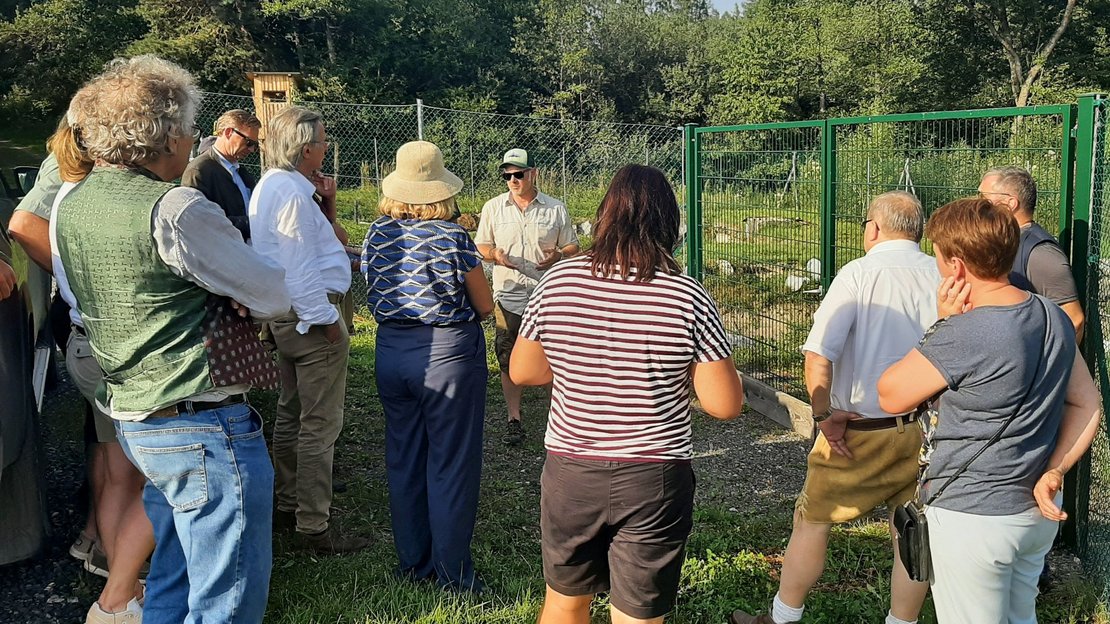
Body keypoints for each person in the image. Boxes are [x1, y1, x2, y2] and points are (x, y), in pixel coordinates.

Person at [57, 54, 291, 624]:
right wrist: (231, 291)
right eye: (188, 127)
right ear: (164, 136)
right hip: (200, 420)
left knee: (174, 576)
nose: (192, 139)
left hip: (135, 413)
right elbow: (271, 294)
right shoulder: (176, 207)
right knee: (225, 600)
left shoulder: (74, 201)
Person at [510, 164, 745, 624]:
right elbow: (724, 404)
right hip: (654, 476)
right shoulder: (686, 294)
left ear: (605, 214)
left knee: (563, 601)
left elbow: (524, 371)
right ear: (668, 221)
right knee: (638, 614)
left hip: (572, 469)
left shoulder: (558, 281)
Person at [877, 198, 1101, 624]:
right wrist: (1055, 470)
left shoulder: (964, 332)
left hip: (973, 515)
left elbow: (890, 394)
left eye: (937, 255)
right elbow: (1087, 402)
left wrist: (943, 324)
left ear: (957, 266)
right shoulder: (1052, 315)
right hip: (1035, 511)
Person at [730, 191, 937, 624]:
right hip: (925, 429)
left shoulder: (858, 275)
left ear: (873, 228)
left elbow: (819, 355)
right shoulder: (942, 273)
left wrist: (824, 416)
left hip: (858, 429)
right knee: (911, 531)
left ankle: (782, 618)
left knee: (812, 520)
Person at [361, 140, 494, 592]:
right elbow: (485, 305)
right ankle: (453, 573)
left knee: (404, 459)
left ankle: (414, 562)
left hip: (391, 352)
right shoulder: (453, 237)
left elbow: (370, 286)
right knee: (450, 463)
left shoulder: (377, 233)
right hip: (447, 355)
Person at [249, 105, 368, 553]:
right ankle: (313, 526)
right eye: (321, 141)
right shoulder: (294, 196)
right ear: (304, 150)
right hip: (310, 319)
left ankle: (287, 503)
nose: (326, 147)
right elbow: (298, 266)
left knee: (291, 412)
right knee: (320, 423)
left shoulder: (274, 185)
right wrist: (328, 321)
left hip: (287, 315)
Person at [475, 148, 579, 445]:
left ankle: (560, 416)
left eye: (518, 174)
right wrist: (495, 255)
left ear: (533, 173)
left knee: (554, 354)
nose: (513, 180)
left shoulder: (555, 208)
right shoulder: (493, 207)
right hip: (508, 294)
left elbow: (573, 247)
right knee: (507, 355)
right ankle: (514, 419)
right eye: (507, 175)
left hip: (547, 295)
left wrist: (559, 254)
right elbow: (481, 246)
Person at [978, 166, 1085, 341]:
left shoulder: (1041, 253)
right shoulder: (1007, 241)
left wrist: (1043, 358)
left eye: (984, 198)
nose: (978, 205)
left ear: (1010, 203)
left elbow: (1075, 320)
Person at [181, 109, 261, 241]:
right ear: (228, 132)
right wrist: (250, 223)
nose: (252, 150)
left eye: (255, 145)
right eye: (248, 142)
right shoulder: (199, 171)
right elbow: (198, 221)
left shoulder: (241, 172)